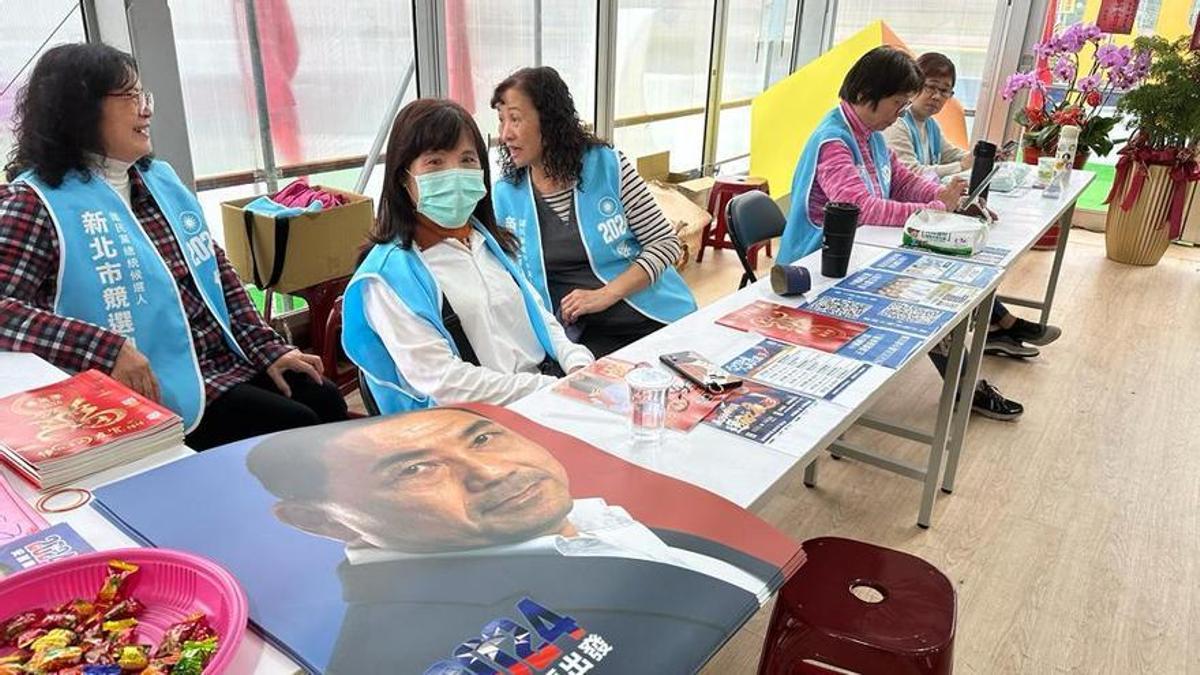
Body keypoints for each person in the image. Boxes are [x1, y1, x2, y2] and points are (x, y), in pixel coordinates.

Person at [247, 406, 787, 673]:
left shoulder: (585, 520)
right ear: (321, 522)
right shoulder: (398, 653)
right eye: (413, 471)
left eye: (482, 437)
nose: (492, 472)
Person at [0, 43, 346, 450]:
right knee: (294, 430)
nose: (145, 110)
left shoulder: (157, 181)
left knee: (325, 400)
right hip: (150, 386)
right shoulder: (34, 204)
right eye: (130, 97)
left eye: (143, 96)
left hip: (222, 362)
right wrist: (105, 348)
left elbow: (217, 274)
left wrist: (267, 349)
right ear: (79, 109)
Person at [778, 46, 1022, 420]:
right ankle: (965, 384)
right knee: (925, 300)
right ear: (865, 96)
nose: (900, 113)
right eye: (897, 102)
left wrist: (940, 196)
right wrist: (935, 210)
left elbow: (903, 180)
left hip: (861, 253)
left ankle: (965, 382)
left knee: (936, 295)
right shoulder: (834, 141)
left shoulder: (871, 134)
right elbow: (861, 208)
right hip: (815, 266)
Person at [341, 99, 594, 414]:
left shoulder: (486, 241)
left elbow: (536, 314)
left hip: (538, 398)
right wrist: (548, 390)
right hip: (468, 426)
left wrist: (576, 360)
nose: (455, 173)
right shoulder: (387, 276)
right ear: (403, 177)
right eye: (435, 162)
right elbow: (444, 381)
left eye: (467, 159)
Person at [490, 67, 697, 357]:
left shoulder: (608, 166)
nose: (505, 134)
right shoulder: (506, 194)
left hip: (652, 315)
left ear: (548, 121)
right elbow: (508, 279)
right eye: (501, 121)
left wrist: (606, 294)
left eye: (515, 118)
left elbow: (665, 244)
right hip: (579, 337)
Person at [883, 52, 1062, 356]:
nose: (937, 97)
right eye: (931, 87)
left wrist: (972, 161)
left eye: (945, 91)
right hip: (908, 220)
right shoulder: (895, 125)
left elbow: (946, 158)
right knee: (955, 264)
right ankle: (996, 332)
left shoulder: (927, 125)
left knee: (970, 256)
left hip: (923, 213)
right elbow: (908, 174)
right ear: (912, 86)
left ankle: (998, 326)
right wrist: (958, 171)